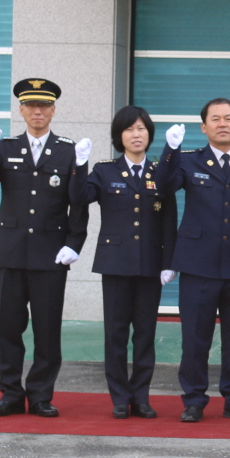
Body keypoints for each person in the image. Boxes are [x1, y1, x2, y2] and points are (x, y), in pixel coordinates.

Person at [0, 78, 91, 418]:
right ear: (21, 110)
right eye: (31, 106)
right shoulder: (5, 147)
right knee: (7, 328)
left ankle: (40, 395)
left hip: (50, 254)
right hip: (10, 252)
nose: (38, 111)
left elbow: (78, 202)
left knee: (47, 329)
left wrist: (74, 243)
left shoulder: (68, 151)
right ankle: (10, 393)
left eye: (44, 106)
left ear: (53, 110)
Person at [155, 98, 230, 423]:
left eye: (228, 118)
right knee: (195, 338)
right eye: (215, 119)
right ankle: (194, 400)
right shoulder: (187, 160)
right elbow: (162, 186)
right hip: (198, 264)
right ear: (204, 127)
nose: (222, 124)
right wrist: (169, 150)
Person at [78, 105, 177, 419]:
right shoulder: (105, 170)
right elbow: (81, 197)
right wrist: (79, 166)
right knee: (116, 333)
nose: (137, 134)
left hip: (150, 263)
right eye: (130, 129)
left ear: (149, 134)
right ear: (119, 136)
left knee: (145, 334)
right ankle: (120, 397)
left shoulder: (160, 172)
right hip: (116, 263)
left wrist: (169, 262)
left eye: (142, 128)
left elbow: (169, 220)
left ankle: (141, 396)